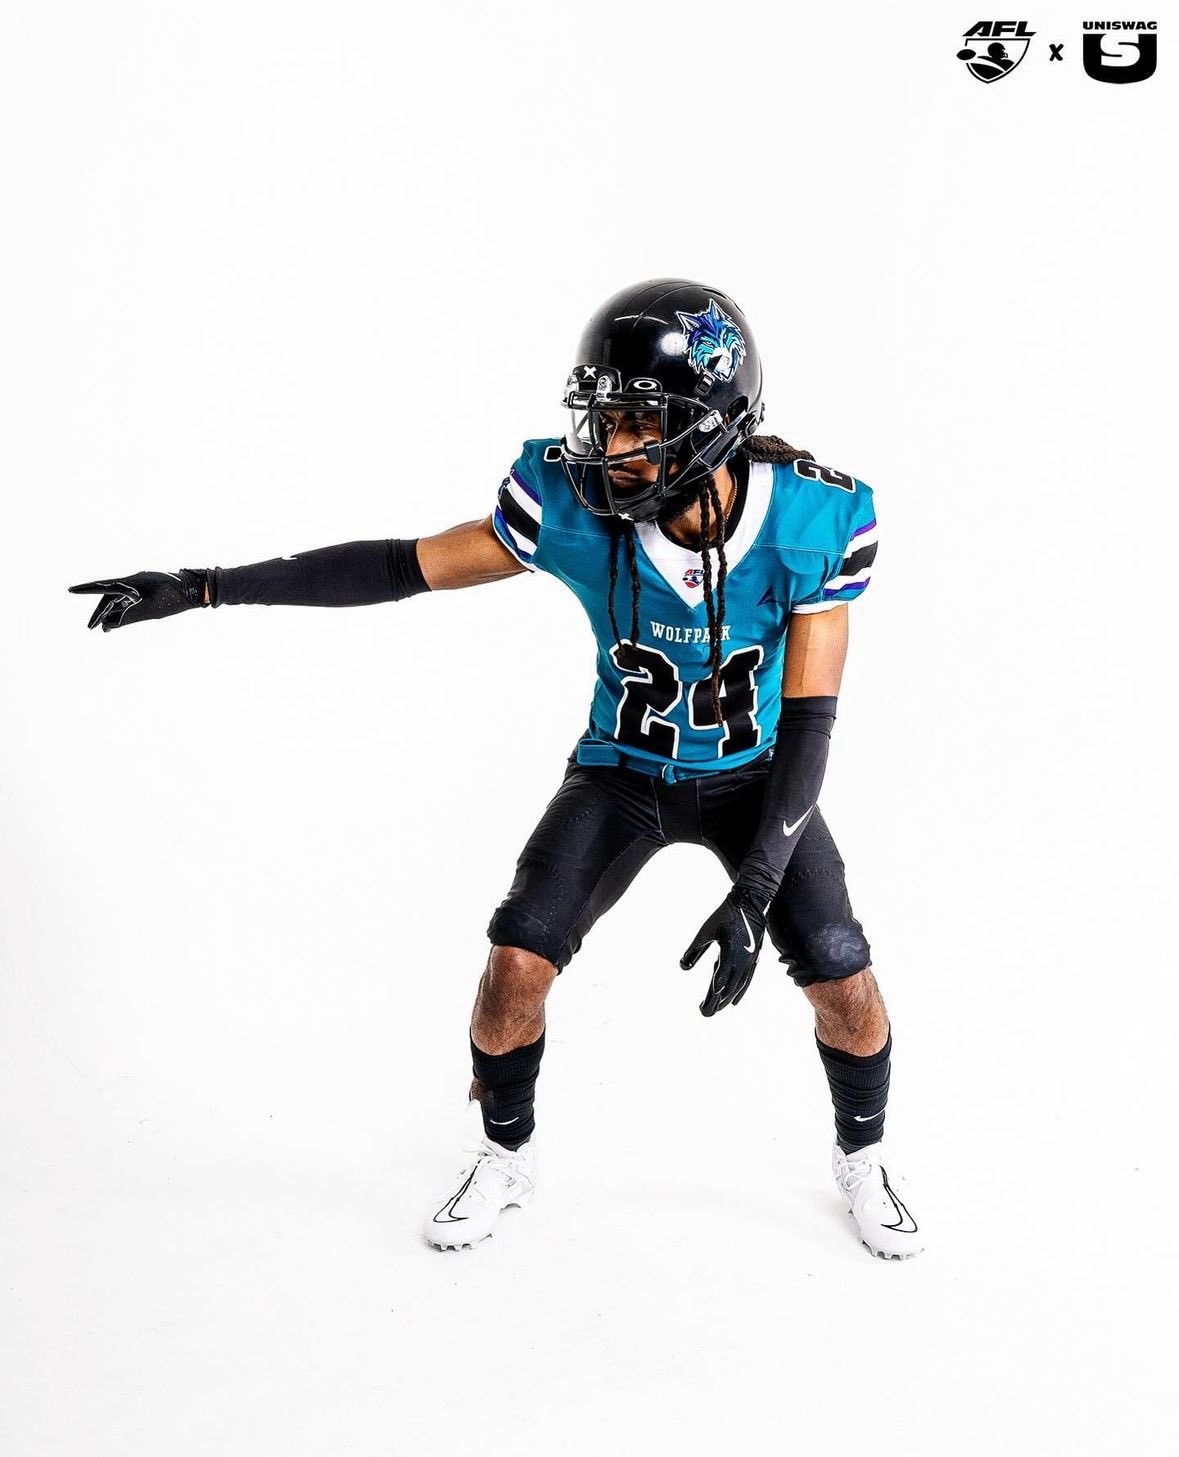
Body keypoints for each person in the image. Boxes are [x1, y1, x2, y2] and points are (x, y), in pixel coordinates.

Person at [69, 278, 921, 1260]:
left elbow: (810, 725)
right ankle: (505, 1153)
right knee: (514, 962)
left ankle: (863, 1156)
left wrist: (758, 886)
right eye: (605, 419)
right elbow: (402, 566)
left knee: (843, 974)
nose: (611, 447)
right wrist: (207, 587)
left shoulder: (810, 519)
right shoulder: (572, 507)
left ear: (716, 423)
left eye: (641, 424)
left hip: (758, 776)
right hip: (622, 770)